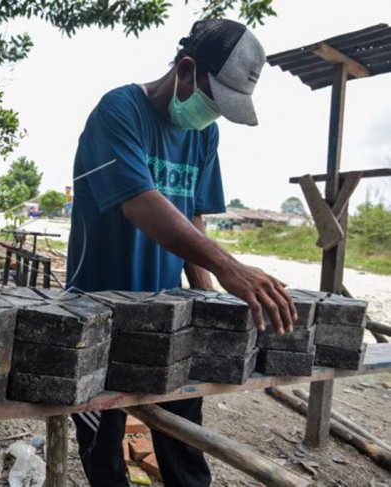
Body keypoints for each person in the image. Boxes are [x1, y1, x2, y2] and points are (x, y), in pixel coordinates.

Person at [66, 19, 297, 487]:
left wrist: (205, 301)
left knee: (185, 442)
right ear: (186, 70)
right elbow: (141, 203)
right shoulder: (118, 111)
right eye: (213, 104)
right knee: (104, 447)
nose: (211, 117)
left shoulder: (204, 135)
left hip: (168, 315)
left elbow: (192, 217)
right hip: (97, 312)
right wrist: (232, 267)